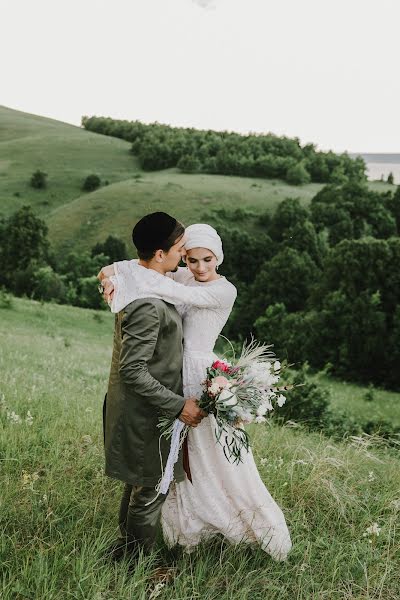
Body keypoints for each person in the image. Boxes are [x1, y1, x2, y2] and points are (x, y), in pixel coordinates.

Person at [99, 221, 292, 561]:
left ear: (218, 257)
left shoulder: (221, 289)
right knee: (169, 456)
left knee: (208, 456)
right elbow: (152, 273)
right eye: (191, 259)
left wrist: (125, 278)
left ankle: (234, 522)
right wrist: (110, 273)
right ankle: (179, 526)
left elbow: (169, 289)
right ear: (181, 258)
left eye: (208, 260)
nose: (200, 268)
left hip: (196, 372)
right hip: (172, 372)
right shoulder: (181, 275)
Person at [103, 212, 226, 563]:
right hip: (147, 411)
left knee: (141, 483)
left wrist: (109, 274)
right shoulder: (147, 304)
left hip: (145, 408)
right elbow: (132, 370)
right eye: (180, 247)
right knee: (150, 489)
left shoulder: (141, 284)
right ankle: (131, 565)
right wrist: (178, 405)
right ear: (160, 254)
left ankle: (123, 552)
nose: (184, 252)